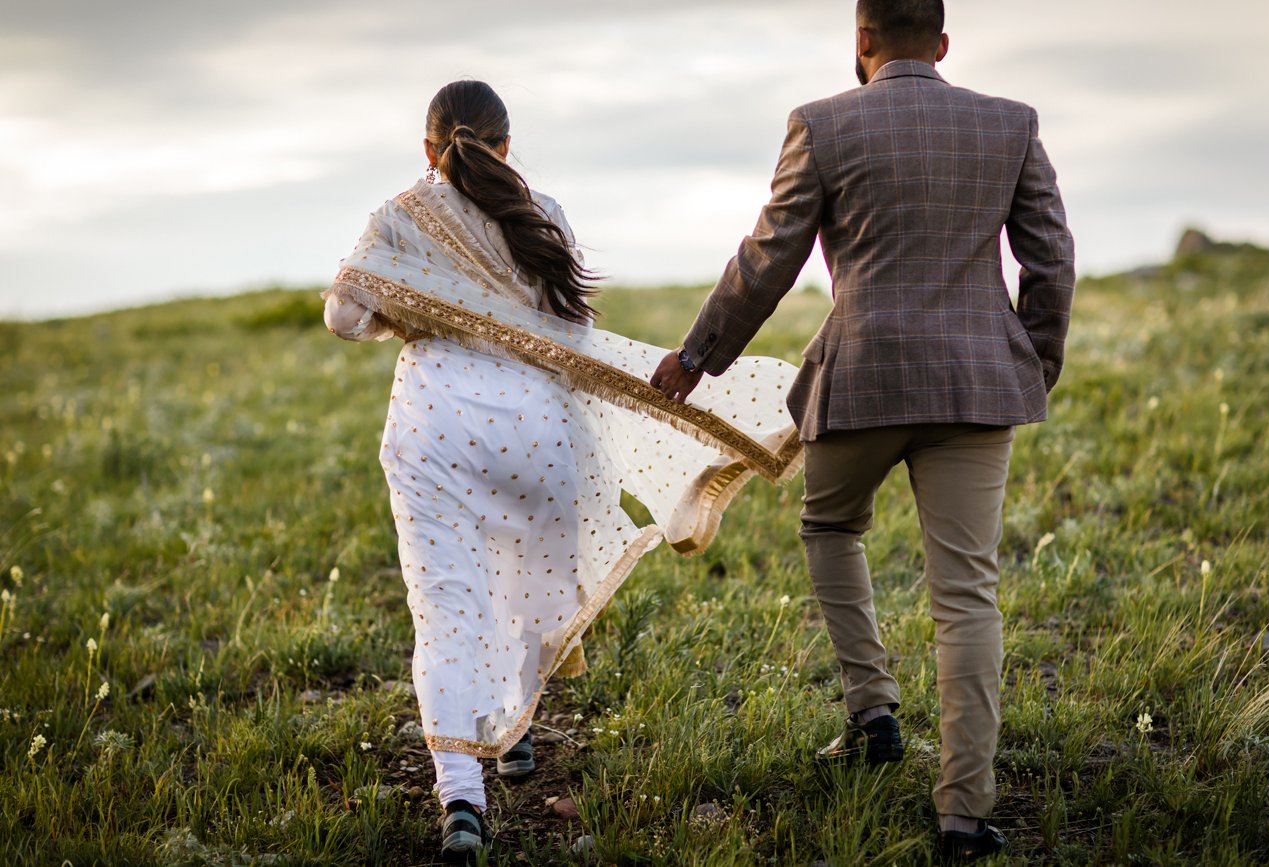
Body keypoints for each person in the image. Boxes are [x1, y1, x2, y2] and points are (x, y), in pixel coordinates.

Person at [323, 80, 803, 859]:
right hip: (539, 432)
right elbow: (573, 332)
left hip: (438, 427)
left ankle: (462, 800)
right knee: (522, 581)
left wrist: (411, 310)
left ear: (426, 148)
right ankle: (513, 736)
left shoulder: (400, 215)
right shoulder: (543, 213)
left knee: (447, 604)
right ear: (508, 146)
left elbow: (343, 315)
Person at [651, 0, 1075, 860]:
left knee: (830, 525)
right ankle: (963, 815)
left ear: (862, 40)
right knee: (966, 593)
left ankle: (873, 711)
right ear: (944, 44)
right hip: (974, 386)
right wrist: (1027, 361)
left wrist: (696, 358)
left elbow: (768, 257)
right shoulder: (1010, 124)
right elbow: (1051, 257)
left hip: (862, 382)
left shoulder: (823, 124)